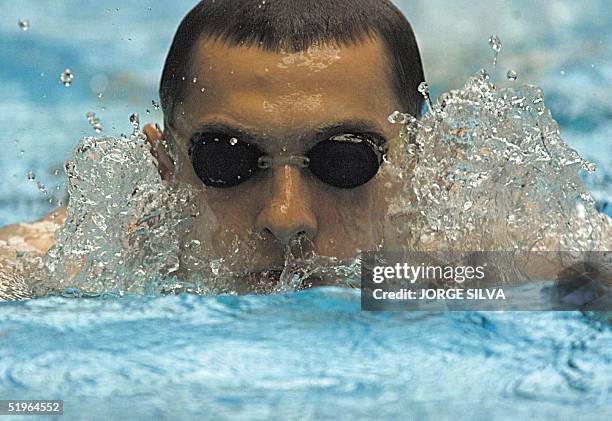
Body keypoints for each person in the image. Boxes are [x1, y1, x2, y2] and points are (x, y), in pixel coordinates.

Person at [0, 0, 609, 299]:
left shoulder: (481, 256)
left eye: (343, 159)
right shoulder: (77, 261)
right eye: (227, 158)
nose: (286, 217)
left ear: (422, 164)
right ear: (165, 169)